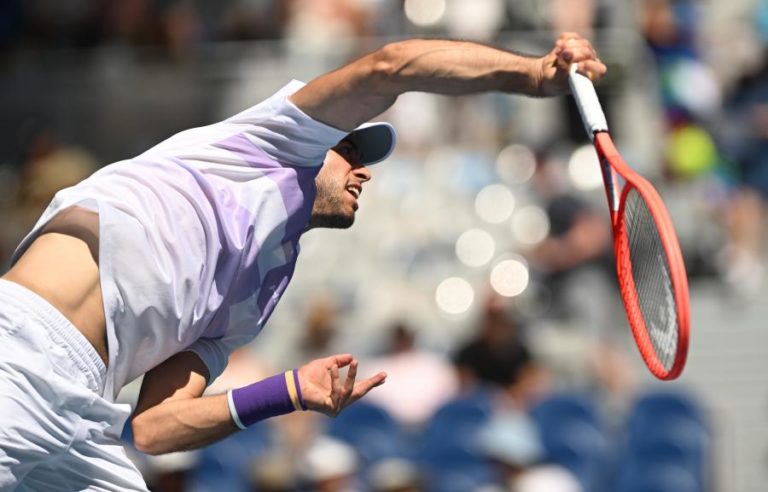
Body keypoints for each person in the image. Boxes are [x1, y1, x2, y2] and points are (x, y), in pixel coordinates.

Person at [0, 33, 606, 490]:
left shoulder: (262, 291)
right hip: (22, 350)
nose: (363, 170)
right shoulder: (264, 142)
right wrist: (532, 75)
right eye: (349, 151)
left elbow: (156, 427)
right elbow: (394, 65)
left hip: (86, 413)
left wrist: (288, 389)